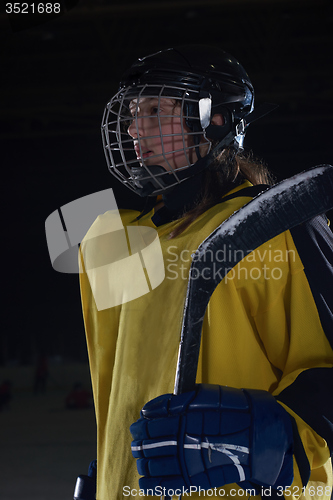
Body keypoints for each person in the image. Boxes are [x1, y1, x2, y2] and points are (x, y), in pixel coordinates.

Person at [78, 45, 333, 499]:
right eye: (134, 112)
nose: (136, 127)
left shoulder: (272, 227)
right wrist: (107, 470)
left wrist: (268, 436)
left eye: (155, 108)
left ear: (215, 118)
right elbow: (120, 391)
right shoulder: (114, 243)